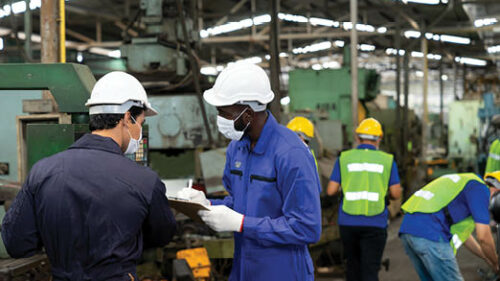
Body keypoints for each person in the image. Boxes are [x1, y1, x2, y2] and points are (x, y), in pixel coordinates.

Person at [2, 71, 177, 281]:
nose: (140, 131)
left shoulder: (41, 173)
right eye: (140, 122)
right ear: (126, 117)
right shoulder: (145, 180)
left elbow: (17, 243)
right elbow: (162, 235)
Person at [177, 63, 321, 281]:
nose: (219, 118)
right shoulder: (237, 148)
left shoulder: (291, 153)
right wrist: (204, 204)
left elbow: (306, 227)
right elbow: (239, 206)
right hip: (244, 268)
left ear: (247, 114)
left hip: (283, 272)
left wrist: (243, 224)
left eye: (223, 112)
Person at [326, 117, 402, 281]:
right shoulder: (387, 160)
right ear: (379, 138)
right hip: (375, 223)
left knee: (352, 268)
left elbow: (331, 190)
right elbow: (396, 193)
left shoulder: (344, 158)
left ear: (357, 138)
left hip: (348, 222)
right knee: (370, 271)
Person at [399, 172, 500, 281]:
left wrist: (486, 257)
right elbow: (483, 237)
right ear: (497, 190)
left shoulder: (469, 182)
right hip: (430, 232)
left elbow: (464, 236)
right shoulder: (480, 190)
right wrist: (496, 263)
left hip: (408, 230)